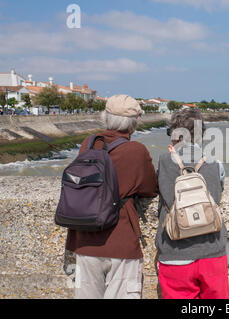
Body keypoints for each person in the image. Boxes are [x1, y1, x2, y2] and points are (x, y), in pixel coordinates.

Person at [65, 94, 158, 299]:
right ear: (134, 123)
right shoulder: (136, 150)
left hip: (84, 241)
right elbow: (151, 188)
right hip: (121, 241)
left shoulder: (87, 144)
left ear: (105, 118)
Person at [155, 108, 229, 299]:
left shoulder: (164, 161)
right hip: (212, 251)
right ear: (201, 134)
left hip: (174, 252)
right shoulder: (215, 163)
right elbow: (218, 192)